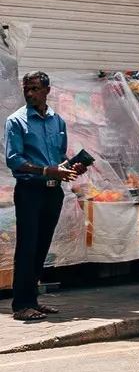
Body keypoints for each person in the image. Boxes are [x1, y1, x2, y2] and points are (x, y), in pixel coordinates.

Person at [7, 71, 77, 321]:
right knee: (27, 247)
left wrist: (70, 166)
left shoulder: (57, 121)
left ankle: (33, 299)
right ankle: (21, 305)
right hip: (29, 192)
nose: (29, 93)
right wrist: (46, 170)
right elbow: (14, 160)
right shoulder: (16, 121)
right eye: (26, 89)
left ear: (47, 90)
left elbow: (60, 156)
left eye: (35, 89)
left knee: (41, 246)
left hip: (52, 192)